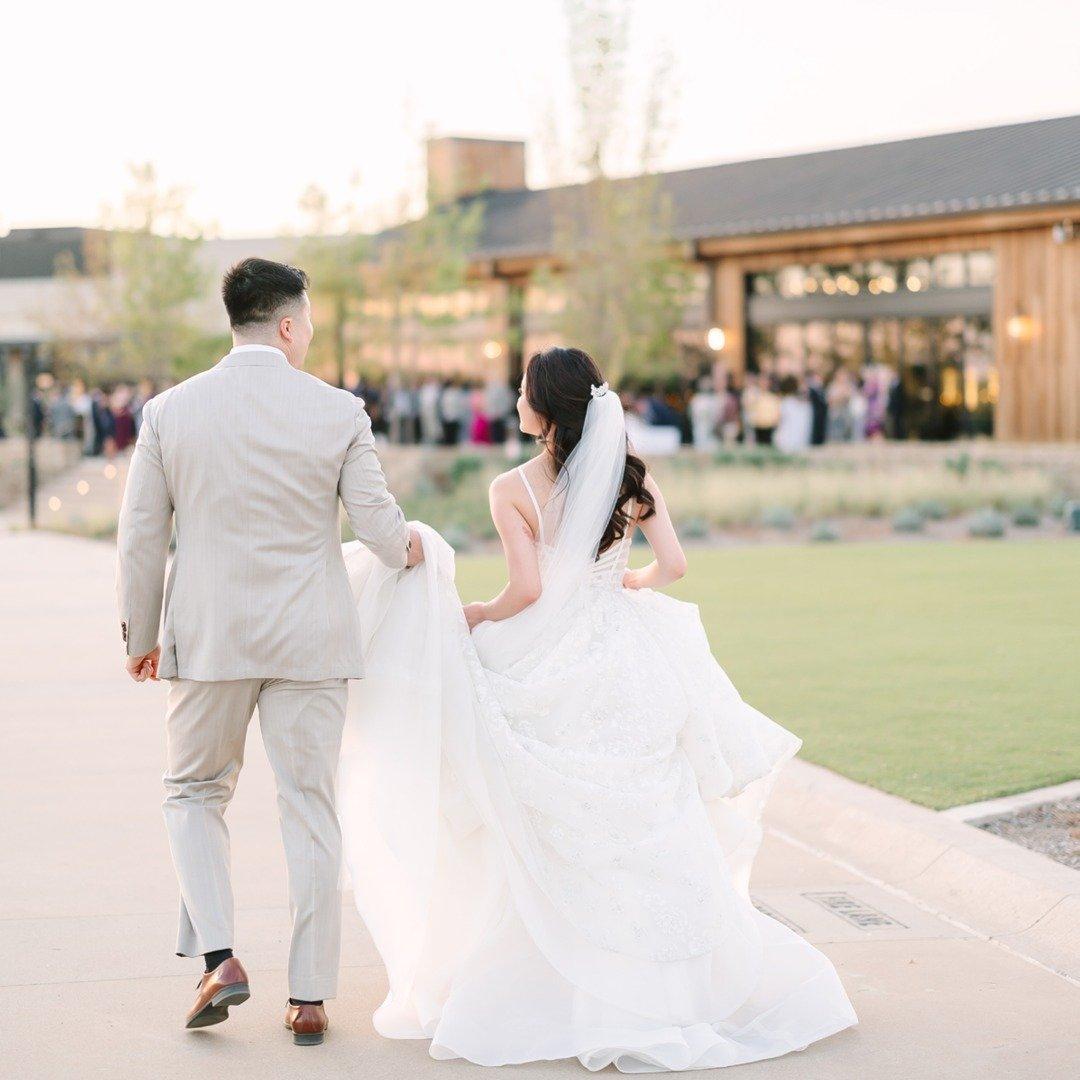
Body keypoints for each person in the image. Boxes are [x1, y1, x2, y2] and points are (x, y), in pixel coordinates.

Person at [338, 345, 858, 1070]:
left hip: (552, 656)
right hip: (626, 655)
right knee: (646, 813)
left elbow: (527, 592)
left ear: (543, 407)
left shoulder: (511, 487)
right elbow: (673, 566)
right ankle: (667, 988)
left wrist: (481, 613)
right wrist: (626, 586)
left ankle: (552, 981)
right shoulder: (630, 476)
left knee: (542, 815)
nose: (514, 398)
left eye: (521, 389)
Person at [116, 257, 424, 1045]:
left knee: (192, 794)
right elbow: (383, 536)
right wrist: (421, 547)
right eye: (309, 321)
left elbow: (142, 539)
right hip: (310, 640)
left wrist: (141, 636)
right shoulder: (339, 412)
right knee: (310, 811)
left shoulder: (169, 412)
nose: (311, 333)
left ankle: (219, 959)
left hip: (211, 637)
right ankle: (311, 997)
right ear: (287, 325)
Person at [774, 375, 813, 453]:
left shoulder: (786, 403)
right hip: (795, 442)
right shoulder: (805, 405)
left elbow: (778, 420)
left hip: (789, 442)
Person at [688, 375, 722, 451]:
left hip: (710, 427)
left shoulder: (713, 399)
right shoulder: (697, 399)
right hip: (700, 425)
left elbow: (717, 413)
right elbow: (693, 413)